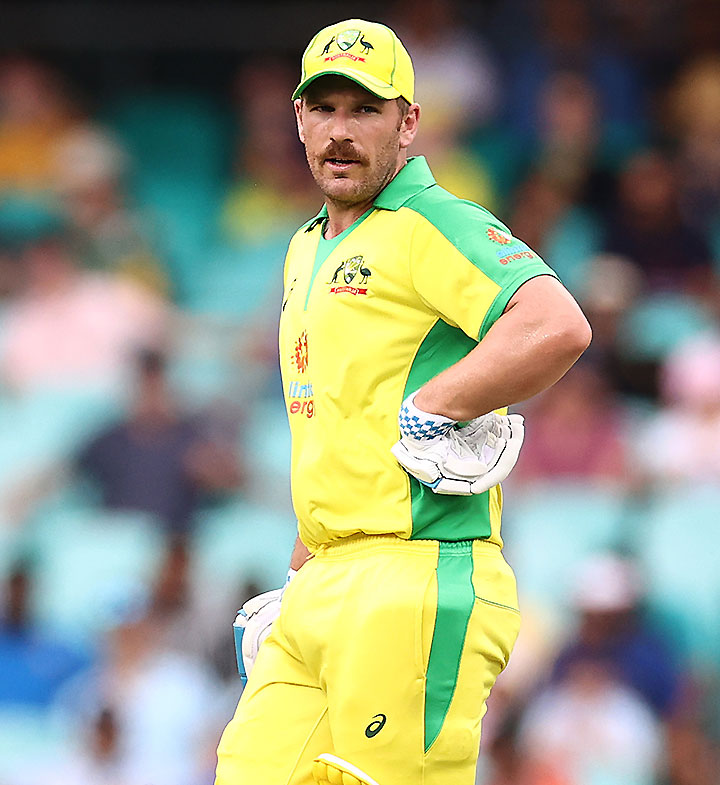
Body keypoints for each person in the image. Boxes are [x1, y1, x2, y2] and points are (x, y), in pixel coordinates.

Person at [214, 19, 591, 785]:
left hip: (419, 574)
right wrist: (301, 577)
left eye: (366, 110)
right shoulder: (304, 246)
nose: (341, 132)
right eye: (324, 109)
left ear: (408, 123)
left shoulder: (433, 220)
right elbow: (331, 430)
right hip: (327, 576)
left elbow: (557, 324)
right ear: (297, 120)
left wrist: (441, 401)